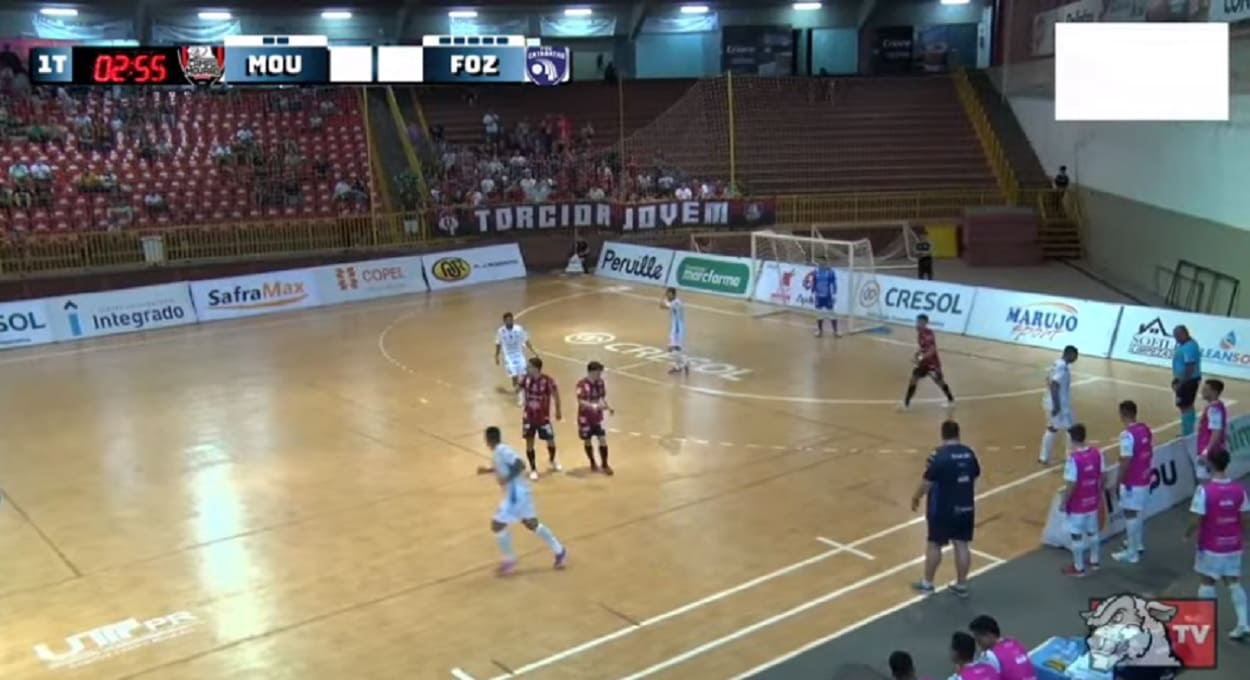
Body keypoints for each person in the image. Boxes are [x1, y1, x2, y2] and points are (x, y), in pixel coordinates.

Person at [475, 426, 568, 575]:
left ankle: (509, 560)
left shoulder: (503, 450)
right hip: (519, 493)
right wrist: (487, 470)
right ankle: (559, 550)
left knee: (497, 524)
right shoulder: (497, 453)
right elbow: (502, 466)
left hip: (515, 494)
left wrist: (507, 478)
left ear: (488, 439)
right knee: (531, 523)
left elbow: (520, 464)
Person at [1186, 447, 1250, 639]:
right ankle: (1243, 623)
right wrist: (1246, 538)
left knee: (1207, 581)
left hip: (1211, 546)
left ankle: (1204, 620)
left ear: (1210, 464)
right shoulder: (1240, 490)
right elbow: (1245, 518)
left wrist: (1187, 534)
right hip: (1233, 545)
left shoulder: (1204, 491)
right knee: (1233, 581)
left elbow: (1196, 519)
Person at [912, 420, 979, 597]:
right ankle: (962, 584)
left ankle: (927, 583)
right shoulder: (969, 453)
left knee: (934, 544)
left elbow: (927, 482)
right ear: (958, 434)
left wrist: (916, 497)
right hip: (966, 507)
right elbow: (975, 475)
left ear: (942, 435)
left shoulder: (937, 455)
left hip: (942, 508)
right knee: (962, 544)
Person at [1112, 401, 1153, 565]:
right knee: (1138, 513)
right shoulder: (1145, 429)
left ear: (1122, 414)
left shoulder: (1126, 435)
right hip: (1144, 477)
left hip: (1132, 481)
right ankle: (1137, 543)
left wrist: (1118, 480)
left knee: (1130, 514)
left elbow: (1126, 460)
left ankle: (1132, 553)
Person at [1060, 424, 1104, 577]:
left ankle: (1078, 568)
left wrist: (1064, 501)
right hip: (1092, 501)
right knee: (1093, 532)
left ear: (1071, 439)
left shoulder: (1073, 460)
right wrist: (1097, 493)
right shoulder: (1097, 453)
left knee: (1076, 535)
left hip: (1078, 505)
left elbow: (1071, 484)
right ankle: (1095, 561)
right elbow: (1101, 476)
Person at [517, 357, 563, 480]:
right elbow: (517, 389)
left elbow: (556, 395)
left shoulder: (547, 381)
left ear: (536, 368)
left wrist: (558, 411)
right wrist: (519, 388)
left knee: (550, 440)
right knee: (529, 442)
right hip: (529, 417)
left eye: (529, 366)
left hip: (543, 417)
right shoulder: (525, 379)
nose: (527, 368)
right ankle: (533, 469)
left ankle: (552, 460)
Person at [902, 314, 956, 410]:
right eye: (917, 322)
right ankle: (906, 404)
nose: (918, 324)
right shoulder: (919, 333)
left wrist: (921, 357)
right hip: (923, 364)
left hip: (932, 364)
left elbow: (932, 350)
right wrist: (918, 354)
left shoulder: (928, 334)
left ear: (925, 323)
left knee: (940, 382)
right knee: (913, 379)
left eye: (920, 322)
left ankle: (951, 400)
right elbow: (923, 348)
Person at [1038, 345, 1079, 465]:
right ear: (1070, 354)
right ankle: (1069, 456)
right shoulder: (1062, 368)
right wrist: (1057, 405)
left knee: (1054, 428)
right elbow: (1055, 384)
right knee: (1069, 429)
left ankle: (1044, 457)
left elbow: (1048, 380)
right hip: (1059, 404)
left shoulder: (1056, 364)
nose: (1076, 358)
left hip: (1050, 401)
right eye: (1075, 356)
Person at [576, 360, 615, 474]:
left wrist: (608, 407)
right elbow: (581, 401)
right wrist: (595, 406)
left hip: (597, 417)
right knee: (587, 440)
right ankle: (592, 461)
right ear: (592, 372)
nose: (600, 375)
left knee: (602, 439)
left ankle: (605, 464)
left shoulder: (600, 383)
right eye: (598, 372)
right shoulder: (581, 384)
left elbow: (601, 397)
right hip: (585, 418)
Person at [969, 615, 1035, 680]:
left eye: (978, 639)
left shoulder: (989, 656)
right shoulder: (1015, 643)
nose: (978, 643)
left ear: (989, 635)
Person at [495, 312, 537, 405]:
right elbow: (498, 343)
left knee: (523, 376)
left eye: (511, 319)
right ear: (504, 321)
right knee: (514, 376)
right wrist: (497, 356)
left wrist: (533, 351)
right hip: (508, 357)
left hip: (519, 355)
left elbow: (526, 340)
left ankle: (526, 393)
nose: (509, 321)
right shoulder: (500, 331)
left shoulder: (519, 329)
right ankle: (520, 397)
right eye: (507, 320)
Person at [1171, 325, 1202, 436]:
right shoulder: (1184, 345)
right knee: (1185, 405)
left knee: (1185, 406)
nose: (1176, 339)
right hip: (1184, 380)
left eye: (1177, 336)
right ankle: (1187, 430)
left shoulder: (1190, 347)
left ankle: (1187, 432)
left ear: (1183, 334)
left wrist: (1181, 383)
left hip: (1188, 381)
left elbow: (1190, 367)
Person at [1195, 378, 1227, 482]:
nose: (1202, 391)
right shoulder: (1217, 406)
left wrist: (1206, 452)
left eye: (1206, 389)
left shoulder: (1214, 409)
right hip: (1214, 452)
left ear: (1214, 392)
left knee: (1206, 483)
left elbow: (1216, 432)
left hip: (1210, 453)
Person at [660, 287, 688, 374]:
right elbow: (663, 306)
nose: (668, 296)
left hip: (677, 329)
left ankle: (684, 362)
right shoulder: (674, 301)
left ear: (673, 294)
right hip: (675, 328)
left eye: (669, 294)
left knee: (673, 348)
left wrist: (662, 297)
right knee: (675, 349)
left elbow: (662, 306)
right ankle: (679, 366)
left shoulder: (676, 303)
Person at [811, 258, 839, 337]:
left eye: (823, 262)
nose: (821, 264)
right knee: (819, 314)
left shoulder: (830, 272)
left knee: (832, 313)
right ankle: (820, 331)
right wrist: (813, 289)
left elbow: (833, 282)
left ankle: (835, 331)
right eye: (819, 262)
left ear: (826, 263)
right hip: (818, 296)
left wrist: (834, 289)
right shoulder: (816, 272)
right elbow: (814, 282)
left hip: (827, 296)